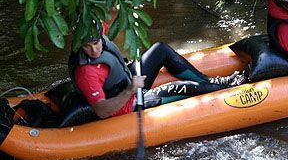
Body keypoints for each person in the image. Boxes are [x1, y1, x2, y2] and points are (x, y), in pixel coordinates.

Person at [68, 23, 247, 119]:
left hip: (126, 79)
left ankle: (209, 81)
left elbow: (115, 12)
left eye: (96, 42)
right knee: (182, 87)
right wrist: (130, 89)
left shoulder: (95, 28)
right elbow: (101, 111)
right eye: (87, 46)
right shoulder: (86, 72)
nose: (94, 50)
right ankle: (231, 89)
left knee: (160, 49)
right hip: (125, 104)